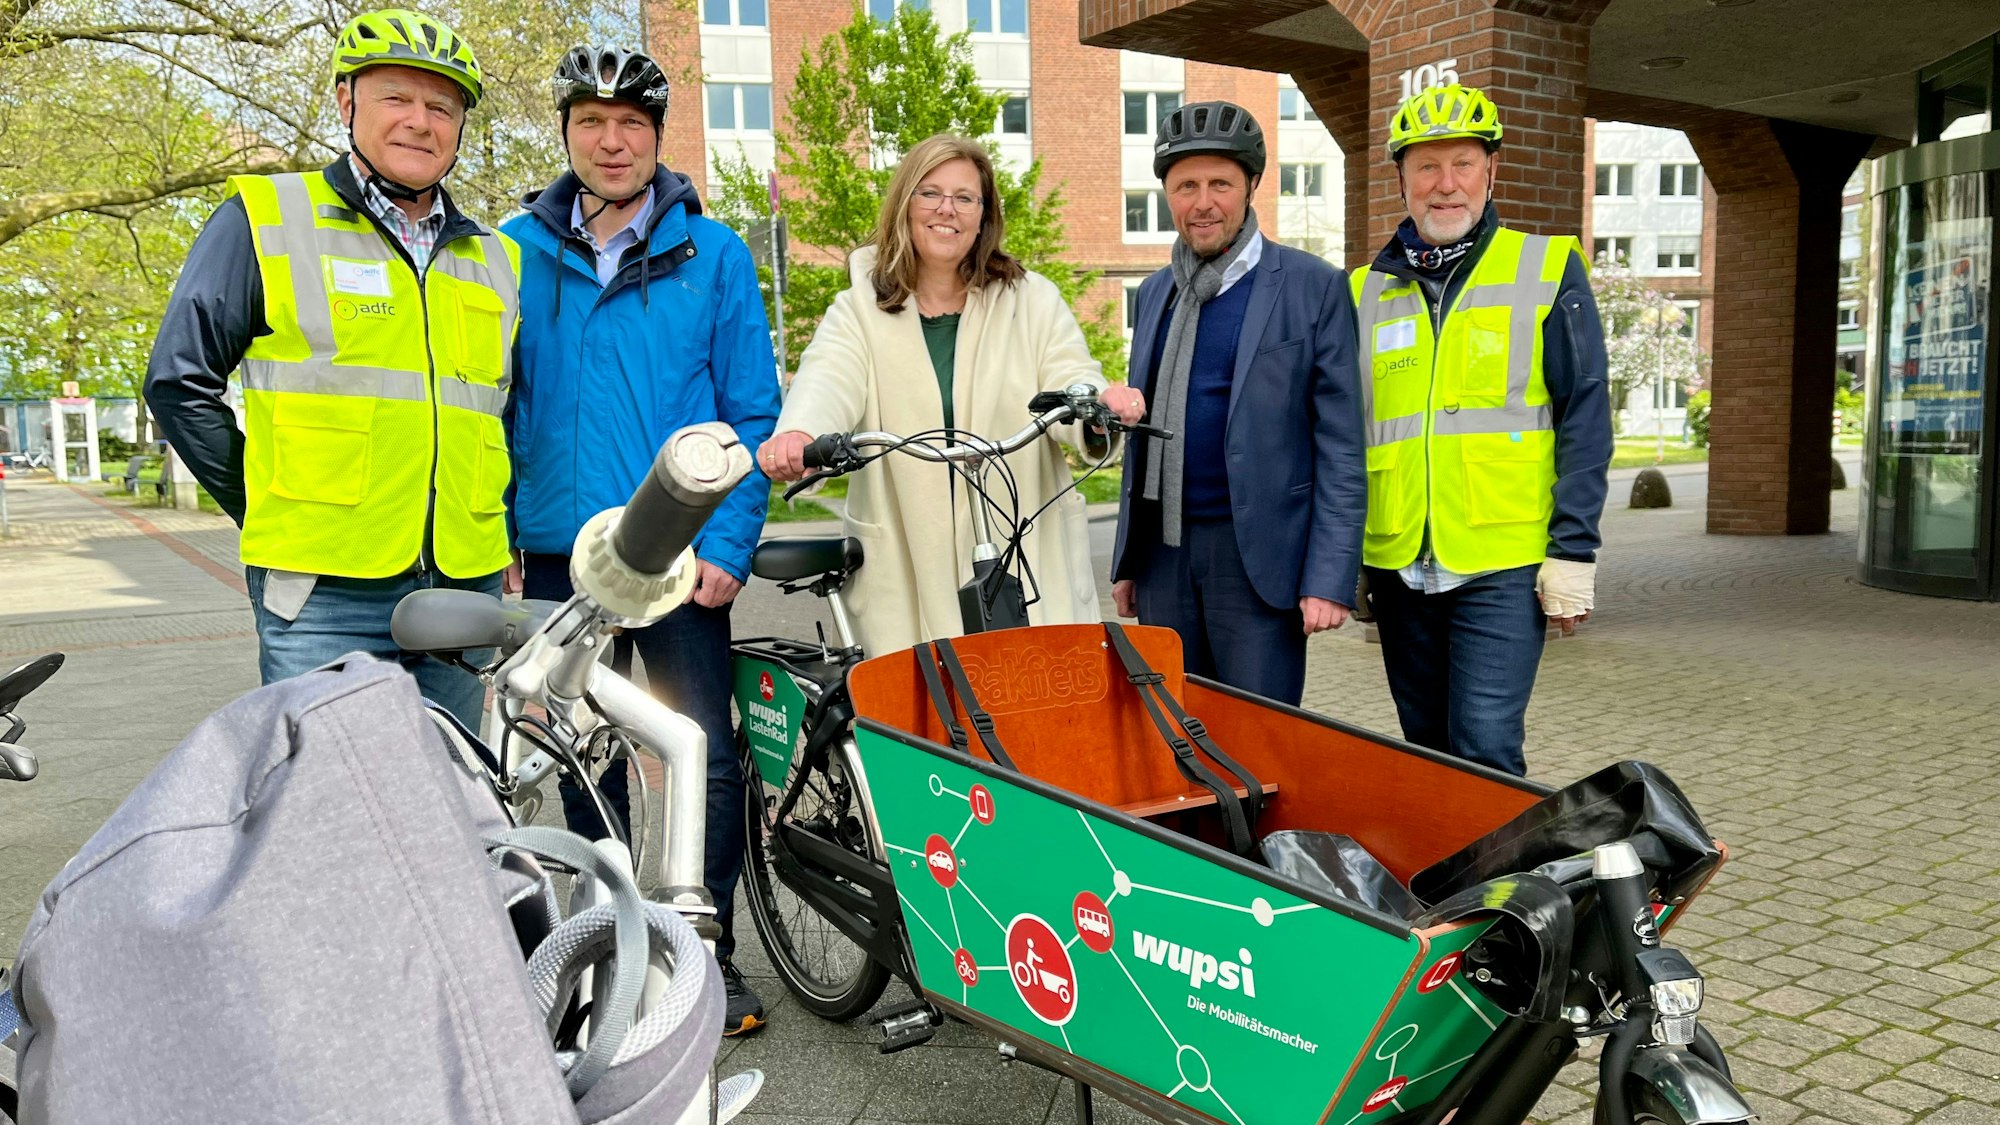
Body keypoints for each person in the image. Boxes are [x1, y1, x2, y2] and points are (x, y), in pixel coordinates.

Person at [500, 45, 780, 1036]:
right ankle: (612, 943)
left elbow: (750, 411)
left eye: (630, 122)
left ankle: (705, 956)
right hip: (551, 553)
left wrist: (731, 542)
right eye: (590, 121)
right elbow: (488, 403)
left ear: (657, 137)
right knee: (578, 756)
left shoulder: (717, 256)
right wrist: (495, 539)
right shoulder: (509, 252)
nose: (610, 140)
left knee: (699, 754)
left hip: (680, 553)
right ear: (566, 132)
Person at [144, 9, 518, 731]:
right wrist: (268, 503)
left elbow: (504, 414)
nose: (420, 121)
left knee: (457, 799)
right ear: (347, 102)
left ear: (460, 126)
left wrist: (503, 539)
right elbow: (178, 381)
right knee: (325, 808)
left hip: (464, 582)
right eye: (396, 99)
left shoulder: (498, 260)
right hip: (323, 595)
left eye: (441, 106)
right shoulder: (267, 217)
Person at [759, 134, 1143, 657]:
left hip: (1021, 538)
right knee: (920, 716)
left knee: (1040, 701)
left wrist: (1099, 409)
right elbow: (829, 375)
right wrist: (800, 433)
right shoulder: (859, 309)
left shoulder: (1031, 300)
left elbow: (1070, 374)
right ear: (904, 205)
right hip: (908, 553)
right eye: (930, 193)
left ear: (984, 216)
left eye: (965, 197)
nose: (948, 209)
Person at [1351, 83, 1612, 777]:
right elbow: (1343, 434)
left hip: (1503, 564)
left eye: (1462, 164)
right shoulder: (1363, 292)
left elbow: (1585, 415)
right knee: (1428, 754)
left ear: (1490, 171)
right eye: (1426, 167)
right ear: (1401, 178)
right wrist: (1344, 555)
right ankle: (1449, 888)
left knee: (1485, 749)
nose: (1445, 185)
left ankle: (1502, 888)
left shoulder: (1547, 267)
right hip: (1399, 562)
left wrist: (1574, 550)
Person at [1108, 101, 1366, 707]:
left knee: (1259, 745)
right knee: (1176, 739)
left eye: (1220, 183)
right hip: (1164, 557)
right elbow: (1142, 431)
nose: (1203, 202)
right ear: (1168, 195)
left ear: (1250, 186)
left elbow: (1341, 444)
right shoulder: (1154, 293)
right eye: (1186, 186)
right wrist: (1129, 558)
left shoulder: (1312, 285)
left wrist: (1329, 578)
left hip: (1258, 563)